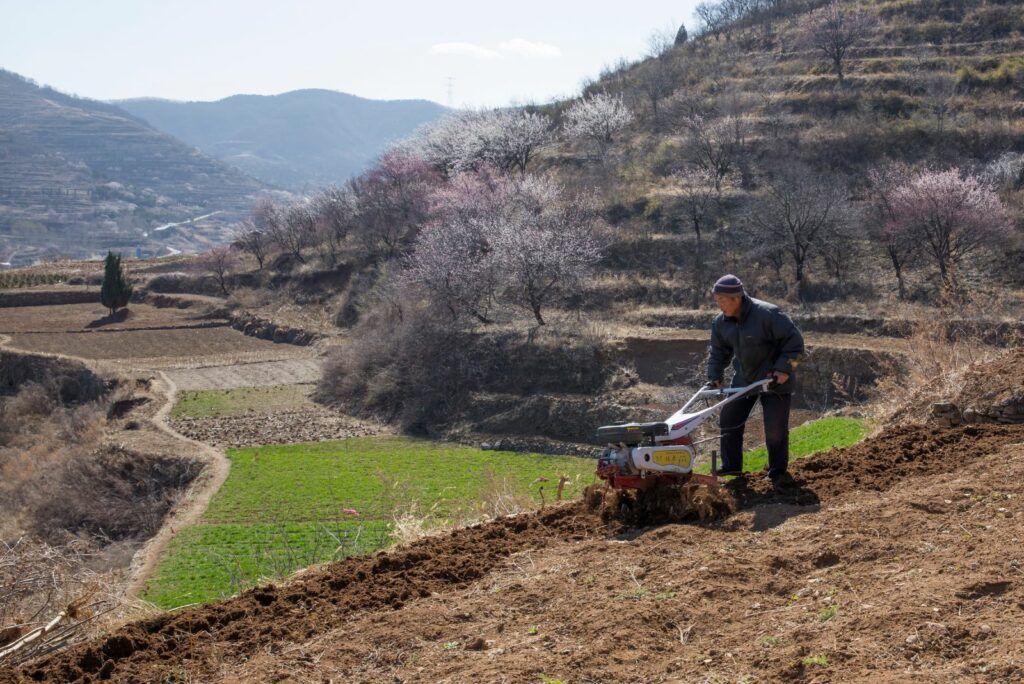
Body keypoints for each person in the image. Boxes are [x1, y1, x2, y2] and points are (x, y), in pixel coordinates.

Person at [706, 274, 805, 487]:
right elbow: (718, 352)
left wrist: (784, 370)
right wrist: (714, 375)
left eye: (722, 300)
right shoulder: (721, 323)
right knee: (729, 419)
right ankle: (732, 465)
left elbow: (796, 346)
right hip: (745, 378)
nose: (718, 304)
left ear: (736, 298)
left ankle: (777, 472)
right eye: (716, 299)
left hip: (775, 380)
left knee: (775, 429)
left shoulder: (768, 315)